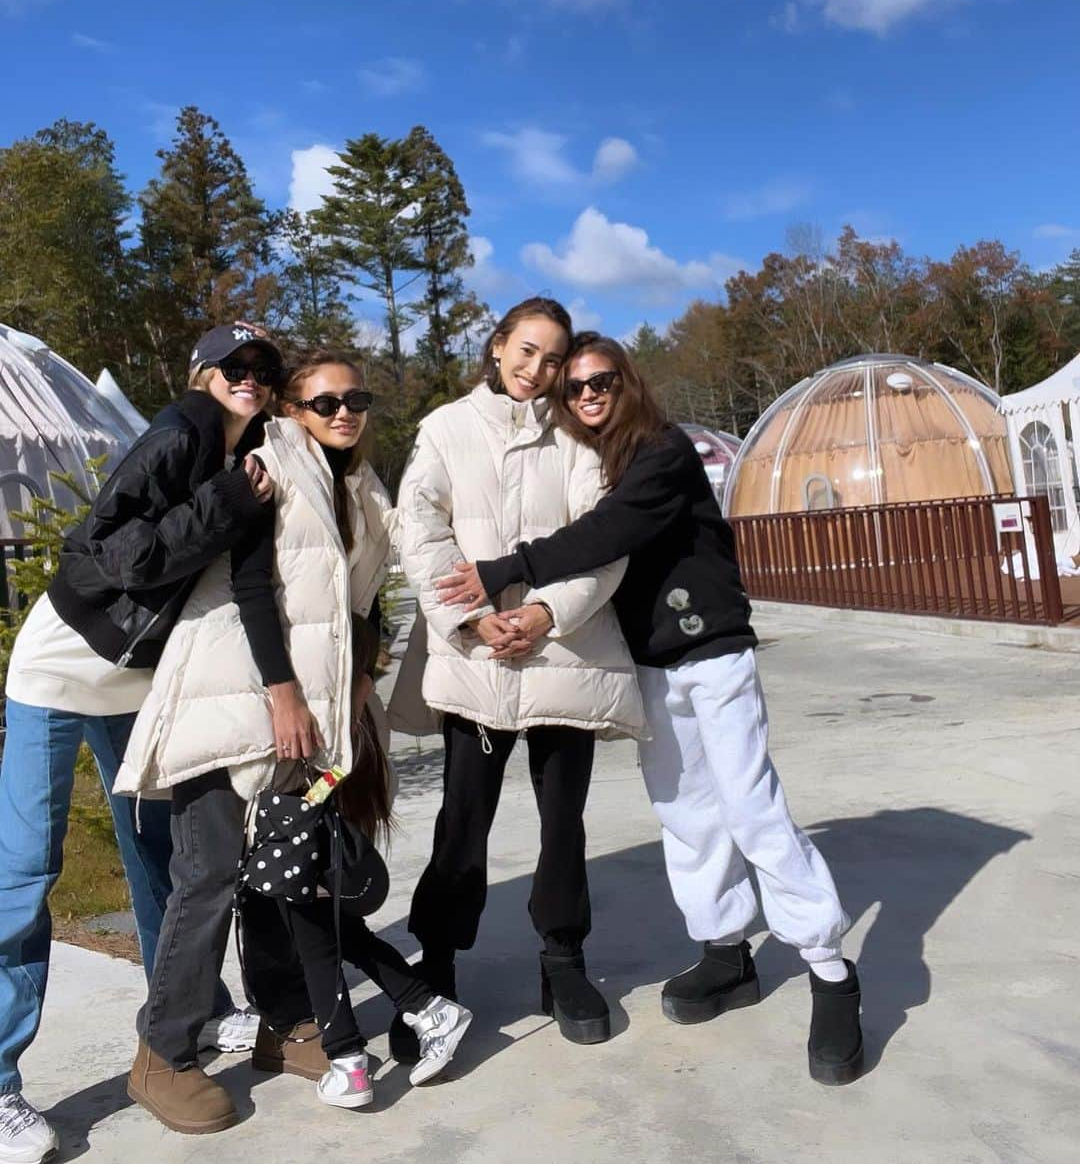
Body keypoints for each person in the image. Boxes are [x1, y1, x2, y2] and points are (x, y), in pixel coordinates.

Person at [438, 333, 865, 1087]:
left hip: (714, 653)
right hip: (651, 661)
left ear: (627, 380)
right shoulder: (591, 460)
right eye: (573, 389)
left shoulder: (659, 449)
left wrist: (504, 572)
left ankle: (829, 968)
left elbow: (610, 532)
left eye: (600, 380)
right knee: (686, 811)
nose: (588, 395)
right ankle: (726, 952)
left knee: (751, 808)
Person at [117, 352, 471, 1134]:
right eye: (324, 402)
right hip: (235, 687)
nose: (343, 412)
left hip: (310, 710)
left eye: (356, 399)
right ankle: (163, 1051)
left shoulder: (361, 486)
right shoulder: (266, 460)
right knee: (208, 873)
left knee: (286, 865)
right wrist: (281, 692)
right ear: (295, 408)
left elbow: (365, 596)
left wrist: (367, 669)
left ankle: (284, 1022)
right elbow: (249, 583)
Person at [0, 324, 280, 1164]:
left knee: (162, 858)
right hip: (59, 670)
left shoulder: (254, 452)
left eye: (265, 369)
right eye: (236, 365)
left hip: (138, 683)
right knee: (24, 872)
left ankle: (186, 1012)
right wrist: (230, 500)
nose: (251, 379)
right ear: (203, 372)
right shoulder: (178, 432)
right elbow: (123, 554)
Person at [391, 299, 644, 1059]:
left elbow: (602, 542)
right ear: (498, 347)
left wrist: (542, 614)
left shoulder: (579, 436)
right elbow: (421, 529)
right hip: (477, 660)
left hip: (562, 653)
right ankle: (435, 962)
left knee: (563, 818)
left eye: (553, 357)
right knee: (464, 817)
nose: (538, 369)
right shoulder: (445, 429)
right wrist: (468, 622)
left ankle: (562, 958)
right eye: (526, 351)